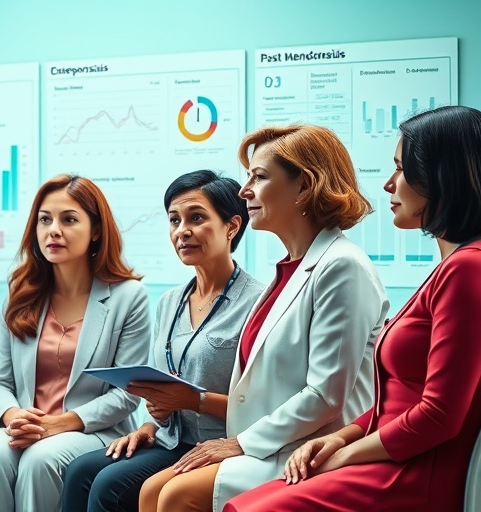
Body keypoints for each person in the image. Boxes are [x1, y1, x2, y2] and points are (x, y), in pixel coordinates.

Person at [225, 106, 481, 511]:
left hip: (412, 470)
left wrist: (343, 457)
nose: (388, 185)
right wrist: (340, 438)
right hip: (385, 450)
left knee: (252, 507)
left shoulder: (468, 268)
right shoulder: (452, 267)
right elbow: (396, 399)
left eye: (400, 169)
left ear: (440, 177)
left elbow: (438, 414)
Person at [138, 125, 390, 512]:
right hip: (274, 439)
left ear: (304, 186)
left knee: (174, 494)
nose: (244, 191)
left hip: (309, 447)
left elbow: (326, 396)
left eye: (259, 176)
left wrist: (238, 442)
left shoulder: (342, 267)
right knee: (151, 491)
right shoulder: (290, 269)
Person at [61, 170, 265, 512]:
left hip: (223, 443)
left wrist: (194, 400)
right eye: (174, 220)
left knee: (109, 487)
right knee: (81, 470)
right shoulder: (170, 301)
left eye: (196, 218)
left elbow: (265, 404)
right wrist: (148, 424)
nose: (182, 230)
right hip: (171, 438)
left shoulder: (258, 302)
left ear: (232, 226)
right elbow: (164, 385)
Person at [0, 174, 152, 512]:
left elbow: (128, 393)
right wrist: (13, 416)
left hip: (93, 430)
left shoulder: (128, 296)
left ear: (96, 230)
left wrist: (59, 423)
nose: (53, 230)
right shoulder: (20, 292)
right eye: (44, 220)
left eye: (69, 219)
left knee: (40, 460)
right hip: (25, 427)